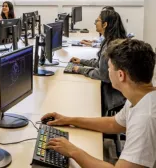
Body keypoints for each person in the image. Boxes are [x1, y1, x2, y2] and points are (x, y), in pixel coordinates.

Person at [41, 39, 156, 168]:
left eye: (109, 67)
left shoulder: (146, 118)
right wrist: (69, 120)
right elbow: (113, 124)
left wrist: (73, 151)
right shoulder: (141, 96)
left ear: (120, 75)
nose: (107, 71)